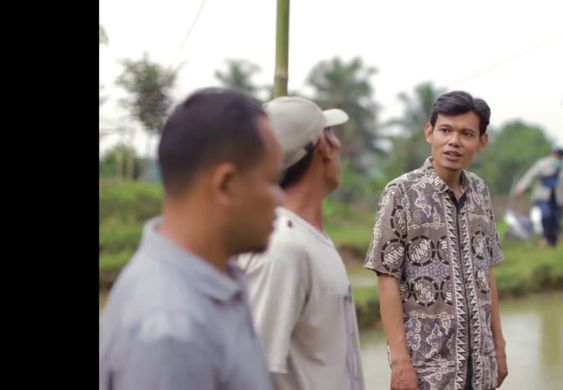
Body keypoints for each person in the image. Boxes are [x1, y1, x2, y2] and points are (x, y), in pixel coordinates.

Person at [99, 88, 283, 390]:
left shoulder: (216, 284)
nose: (281, 199)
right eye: (273, 182)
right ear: (225, 184)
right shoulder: (170, 332)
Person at [364, 91, 508, 389]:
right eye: (446, 130)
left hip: (480, 367)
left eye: (466, 133)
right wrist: (400, 361)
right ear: (429, 132)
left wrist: (500, 346)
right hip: (427, 369)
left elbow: (487, 273)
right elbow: (386, 277)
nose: (454, 141)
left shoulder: (481, 192)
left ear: (482, 141)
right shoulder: (401, 193)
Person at [237, 96, 365, 390]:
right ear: (324, 145)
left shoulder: (310, 237)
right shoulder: (284, 248)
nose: (339, 146)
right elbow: (251, 371)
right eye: (332, 134)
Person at [513, 147, 563, 247]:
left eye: (561, 158)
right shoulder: (543, 164)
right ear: (553, 155)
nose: (558, 159)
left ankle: (552, 243)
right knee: (546, 215)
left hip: (558, 199)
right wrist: (521, 187)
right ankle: (545, 237)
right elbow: (530, 175)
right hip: (543, 197)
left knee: (556, 220)